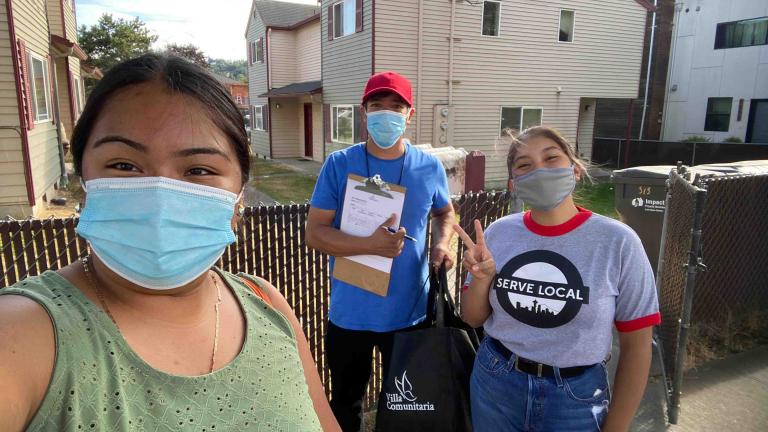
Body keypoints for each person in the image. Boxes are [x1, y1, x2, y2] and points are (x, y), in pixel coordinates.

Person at [0, 54, 339, 432]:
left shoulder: (266, 304)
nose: (160, 195)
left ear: (239, 197)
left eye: (199, 170)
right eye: (124, 165)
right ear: (84, 180)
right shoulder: (21, 334)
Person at [454, 126, 660, 432]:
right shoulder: (499, 232)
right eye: (524, 165)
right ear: (514, 184)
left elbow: (638, 347)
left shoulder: (618, 242)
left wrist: (617, 427)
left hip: (575, 398)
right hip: (496, 381)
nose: (539, 169)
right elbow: (472, 318)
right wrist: (482, 280)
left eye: (551, 158)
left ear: (575, 171)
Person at [305, 71, 455, 431]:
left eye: (396, 107)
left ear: (410, 114)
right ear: (364, 112)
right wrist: (371, 245)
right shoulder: (339, 164)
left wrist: (441, 244)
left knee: (404, 410)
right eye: (377, 106)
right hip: (350, 314)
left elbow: (444, 211)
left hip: (409, 315)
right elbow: (315, 234)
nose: (386, 114)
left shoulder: (429, 166)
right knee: (345, 405)